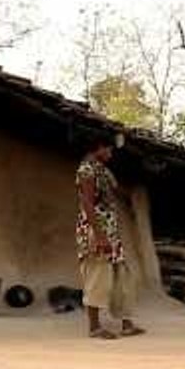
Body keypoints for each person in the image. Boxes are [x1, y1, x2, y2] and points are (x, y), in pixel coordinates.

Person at [75, 135, 146, 340]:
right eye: (109, 149)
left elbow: (116, 191)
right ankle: (94, 328)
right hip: (95, 231)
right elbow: (87, 204)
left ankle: (126, 324)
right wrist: (99, 236)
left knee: (121, 276)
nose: (111, 154)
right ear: (98, 147)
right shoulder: (86, 170)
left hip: (110, 231)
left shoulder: (103, 171)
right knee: (98, 276)